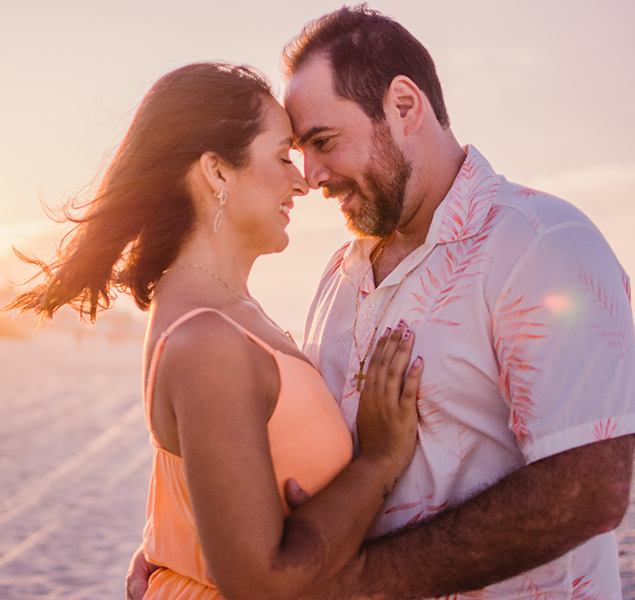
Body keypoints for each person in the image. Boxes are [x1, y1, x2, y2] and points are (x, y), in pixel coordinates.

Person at [128, 5, 635, 600]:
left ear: (402, 106)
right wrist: (180, 543)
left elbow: (587, 492)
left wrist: (361, 582)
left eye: (323, 142)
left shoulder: (540, 245)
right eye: (295, 151)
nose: (311, 176)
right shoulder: (339, 277)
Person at [9, 62, 425, 600]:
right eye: (281, 157)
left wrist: (167, 539)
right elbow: (259, 582)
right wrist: (378, 461)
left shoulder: (219, 312)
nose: (302, 181)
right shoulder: (208, 339)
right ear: (217, 172)